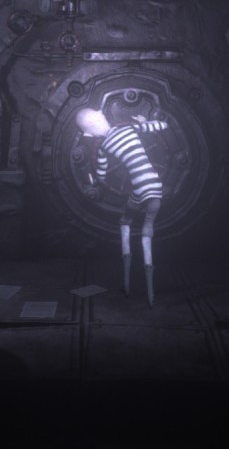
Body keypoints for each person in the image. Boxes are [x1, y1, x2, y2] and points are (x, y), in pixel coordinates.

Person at [76, 107, 169, 307]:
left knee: (125, 221)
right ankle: (151, 295)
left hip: (139, 189)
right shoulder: (129, 129)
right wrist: (144, 122)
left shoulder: (103, 147)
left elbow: (101, 174)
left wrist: (96, 181)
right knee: (147, 229)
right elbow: (162, 125)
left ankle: (127, 284)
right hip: (156, 186)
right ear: (103, 117)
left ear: (88, 135)